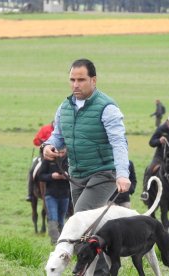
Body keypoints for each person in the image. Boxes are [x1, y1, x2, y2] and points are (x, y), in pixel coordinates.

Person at [42, 58, 130, 275]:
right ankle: (105, 266)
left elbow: (119, 143)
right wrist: (49, 146)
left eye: (81, 80)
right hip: (77, 175)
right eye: (72, 79)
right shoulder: (65, 106)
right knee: (91, 229)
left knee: (80, 222)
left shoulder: (107, 107)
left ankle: (97, 272)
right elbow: (57, 136)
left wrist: (122, 175)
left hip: (104, 173)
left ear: (93, 80)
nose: (75, 85)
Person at [39, 155, 70, 244]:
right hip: (51, 195)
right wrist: (52, 176)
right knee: (53, 218)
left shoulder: (70, 158)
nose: (60, 152)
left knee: (61, 219)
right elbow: (40, 176)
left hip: (65, 195)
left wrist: (67, 176)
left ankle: (61, 241)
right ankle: (54, 242)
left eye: (62, 150)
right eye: (58, 150)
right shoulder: (48, 159)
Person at [26, 121, 55, 202]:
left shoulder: (61, 129)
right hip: (44, 156)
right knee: (32, 170)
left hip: (58, 155)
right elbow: (35, 141)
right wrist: (40, 141)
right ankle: (30, 193)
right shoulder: (45, 129)